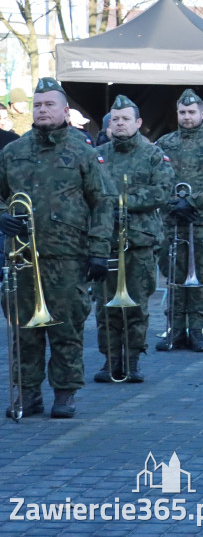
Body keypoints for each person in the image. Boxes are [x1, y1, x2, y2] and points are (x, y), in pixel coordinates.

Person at [0, 77, 112, 419]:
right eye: (37, 105)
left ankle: (65, 394)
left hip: (67, 255)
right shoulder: (13, 152)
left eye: (49, 104)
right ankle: (27, 394)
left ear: (65, 110)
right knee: (23, 331)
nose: (42, 110)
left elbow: (102, 201)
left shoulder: (83, 151)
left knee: (66, 327)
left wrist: (98, 250)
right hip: (21, 258)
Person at [94, 95, 175, 384]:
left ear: (138, 123)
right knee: (105, 305)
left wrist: (119, 202)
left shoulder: (153, 154)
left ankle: (132, 359)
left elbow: (162, 191)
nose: (120, 123)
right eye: (115, 119)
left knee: (136, 304)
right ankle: (109, 359)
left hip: (140, 241)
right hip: (106, 240)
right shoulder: (98, 154)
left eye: (125, 118)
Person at [155, 89, 203, 353]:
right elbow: (156, 179)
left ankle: (197, 329)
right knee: (175, 275)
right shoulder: (164, 143)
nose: (187, 117)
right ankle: (175, 329)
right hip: (172, 219)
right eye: (182, 112)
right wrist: (173, 202)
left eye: (191, 112)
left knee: (199, 275)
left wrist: (193, 201)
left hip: (202, 219)